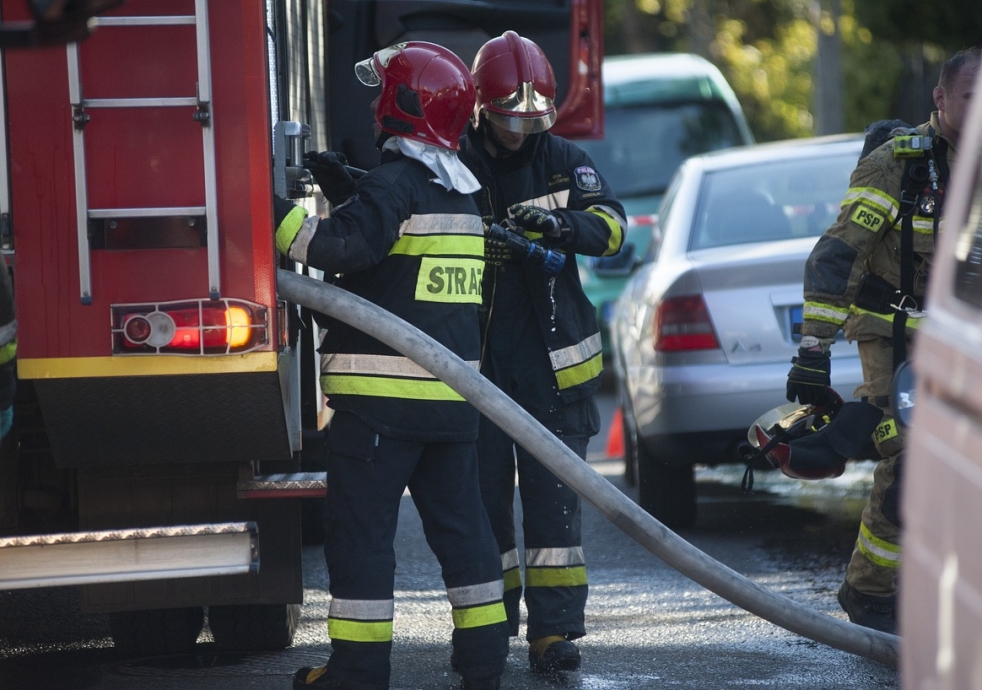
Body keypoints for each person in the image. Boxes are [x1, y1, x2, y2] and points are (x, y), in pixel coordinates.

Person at [273, 41, 510, 690]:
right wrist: (358, 192)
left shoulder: (395, 184)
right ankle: (485, 662)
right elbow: (406, 272)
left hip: (378, 411)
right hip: (451, 406)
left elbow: (338, 248)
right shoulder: (460, 194)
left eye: (386, 93)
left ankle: (355, 672)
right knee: (466, 537)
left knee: (362, 540)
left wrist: (268, 214)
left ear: (402, 105)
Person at [787, 46, 980, 635]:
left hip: (966, 338)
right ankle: (869, 593)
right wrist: (813, 350)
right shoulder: (898, 166)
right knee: (911, 460)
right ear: (940, 99)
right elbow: (838, 256)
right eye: (970, 100)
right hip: (895, 333)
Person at [458, 31, 626, 673]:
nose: (519, 132)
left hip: (555, 373)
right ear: (481, 107)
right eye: (508, 119)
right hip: (477, 373)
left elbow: (611, 225)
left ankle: (553, 637)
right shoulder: (455, 165)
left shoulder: (564, 160)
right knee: (483, 513)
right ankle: (487, 637)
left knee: (555, 516)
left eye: (531, 119)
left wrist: (564, 226)